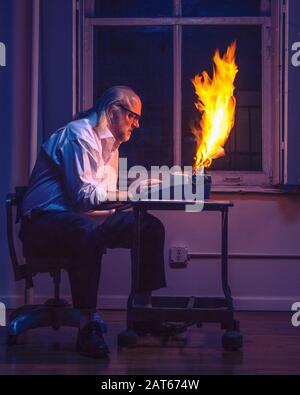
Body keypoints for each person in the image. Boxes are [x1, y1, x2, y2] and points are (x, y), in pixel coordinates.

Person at [19, 86, 166, 358]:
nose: (137, 123)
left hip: (83, 219)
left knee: (148, 227)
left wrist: (137, 190)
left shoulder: (112, 147)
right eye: (133, 116)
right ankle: (87, 328)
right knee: (85, 232)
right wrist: (130, 193)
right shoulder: (79, 135)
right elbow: (84, 199)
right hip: (44, 222)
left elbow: (102, 198)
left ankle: (144, 315)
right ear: (113, 111)